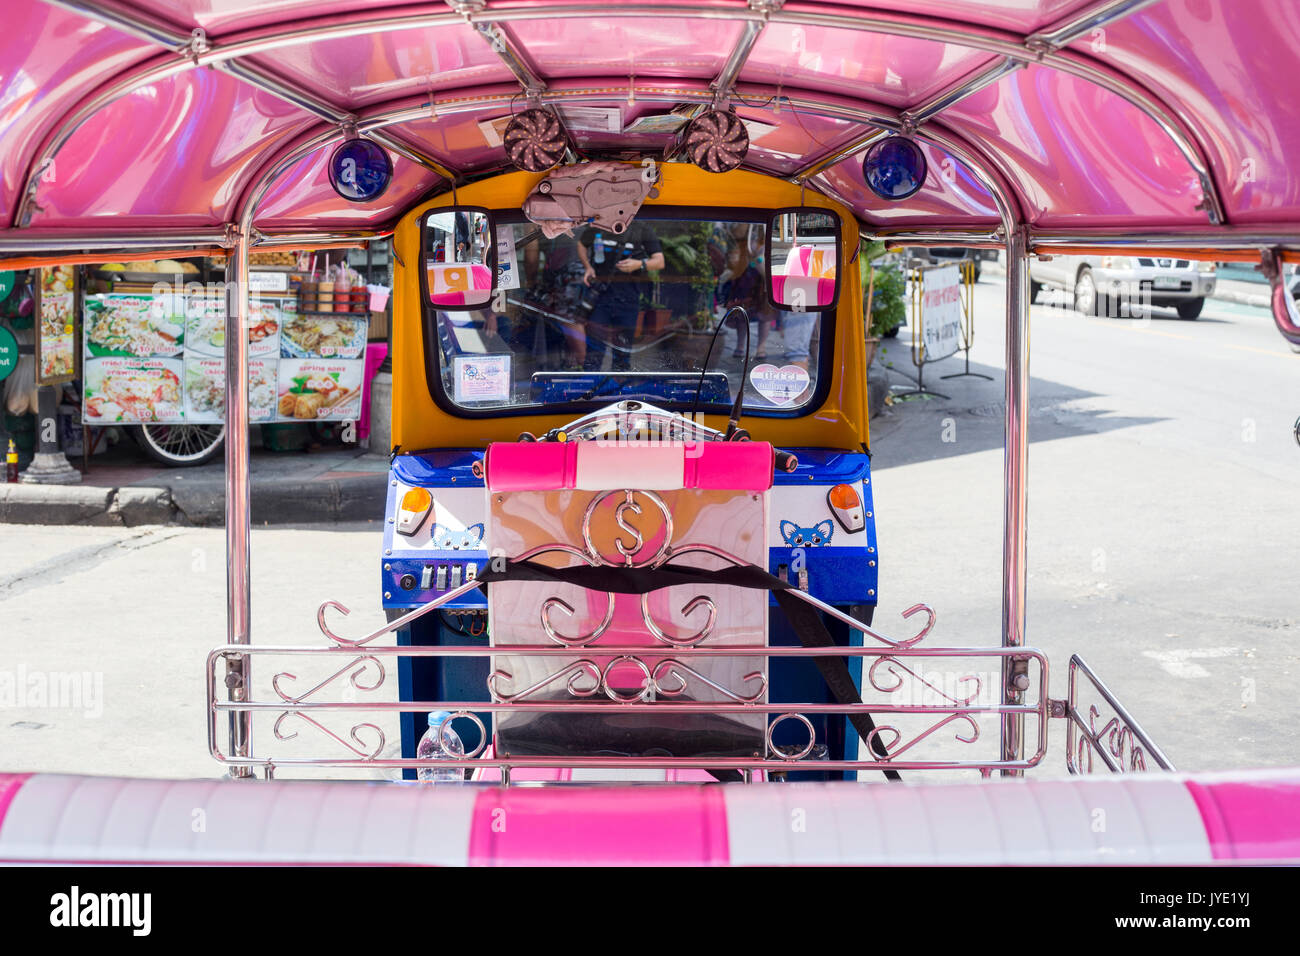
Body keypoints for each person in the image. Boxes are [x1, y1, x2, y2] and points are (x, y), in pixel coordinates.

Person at [575, 222, 664, 371]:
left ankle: (618, 391)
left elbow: (659, 261)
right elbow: (581, 244)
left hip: (628, 301)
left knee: (622, 357)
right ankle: (589, 390)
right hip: (600, 299)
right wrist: (588, 267)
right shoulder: (600, 223)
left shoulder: (642, 228)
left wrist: (639, 264)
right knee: (593, 355)